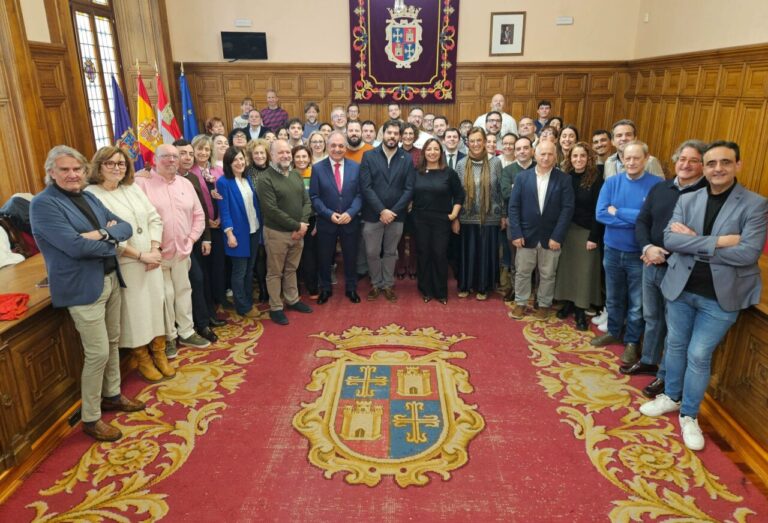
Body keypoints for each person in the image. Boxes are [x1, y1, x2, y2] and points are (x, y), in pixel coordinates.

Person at [640, 141, 767, 451]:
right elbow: (670, 240)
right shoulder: (689, 198)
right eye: (712, 163)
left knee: (698, 355)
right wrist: (719, 242)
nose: (718, 168)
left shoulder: (755, 204)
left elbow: (747, 253)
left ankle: (689, 414)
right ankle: (671, 396)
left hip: (721, 296)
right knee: (675, 345)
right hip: (681, 288)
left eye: (725, 162)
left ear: (738, 165)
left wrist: (694, 242)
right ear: (705, 169)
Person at [30, 145, 145, 441]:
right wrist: (111, 240)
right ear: (51, 173)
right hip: (82, 287)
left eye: (77, 169)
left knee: (113, 341)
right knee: (98, 353)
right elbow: (75, 247)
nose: (72, 174)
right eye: (65, 170)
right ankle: (91, 418)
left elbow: (125, 227)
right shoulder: (43, 204)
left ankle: (112, 394)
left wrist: (103, 234)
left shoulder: (89, 196)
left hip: (109, 277)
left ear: (84, 170)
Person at [625, 140, 708, 399]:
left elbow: (702, 237)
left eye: (693, 160)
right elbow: (642, 220)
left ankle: (665, 375)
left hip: (681, 269)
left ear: (703, 165)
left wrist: (667, 254)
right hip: (651, 262)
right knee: (652, 317)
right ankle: (649, 359)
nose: (685, 164)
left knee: (675, 328)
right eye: (682, 159)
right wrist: (648, 247)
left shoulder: (708, 195)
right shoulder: (661, 188)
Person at [85, 146, 172, 383]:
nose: (117, 168)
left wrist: (154, 249)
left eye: (121, 164)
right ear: (99, 166)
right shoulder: (91, 195)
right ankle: (142, 358)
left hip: (152, 258)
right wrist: (140, 255)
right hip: (127, 262)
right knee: (136, 313)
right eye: (110, 163)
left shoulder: (132, 187)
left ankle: (160, 352)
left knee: (156, 306)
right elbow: (106, 235)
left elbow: (154, 218)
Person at [135, 144, 211, 357]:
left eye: (174, 157)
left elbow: (199, 215)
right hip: (156, 255)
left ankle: (187, 332)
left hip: (182, 252)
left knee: (183, 292)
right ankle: (169, 337)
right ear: (154, 159)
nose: (171, 160)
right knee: (164, 296)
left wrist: (191, 239)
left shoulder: (185, 184)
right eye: (165, 156)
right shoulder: (141, 183)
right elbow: (137, 219)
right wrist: (150, 247)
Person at [592, 141, 663, 364]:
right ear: (622, 159)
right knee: (613, 296)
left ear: (646, 159)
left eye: (636, 158)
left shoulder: (657, 185)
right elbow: (601, 214)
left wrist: (619, 212)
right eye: (627, 158)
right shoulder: (612, 182)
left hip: (638, 254)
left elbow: (652, 219)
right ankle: (614, 331)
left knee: (637, 303)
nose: (631, 162)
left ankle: (632, 342)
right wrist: (636, 219)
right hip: (612, 249)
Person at [508, 141, 574, 318]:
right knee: (522, 272)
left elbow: (567, 209)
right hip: (525, 235)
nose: (546, 158)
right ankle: (521, 303)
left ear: (556, 156)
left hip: (551, 237)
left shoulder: (564, 179)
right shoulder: (522, 178)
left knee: (548, 274)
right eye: (542, 154)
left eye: (550, 154)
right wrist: (516, 233)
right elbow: (513, 207)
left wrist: (558, 236)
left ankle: (544, 304)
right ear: (535, 155)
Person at [360, 120, 416, 302]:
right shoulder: (369, 156)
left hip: (396, 216)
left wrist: (392, 211)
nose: (392, 136)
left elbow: (409, 189)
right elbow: (366, 187)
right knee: (372, 252)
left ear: (400, 137)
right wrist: (381, 210)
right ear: (382, 134)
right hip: (372, 214)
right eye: (389, 132)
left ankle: (388, 284)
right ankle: (376, 283)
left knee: (391, 252)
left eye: (395, 133)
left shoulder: (406, 158)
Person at [257, 139, 313, 325]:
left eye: (288, 152)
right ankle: (276, 307)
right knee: (275, 272)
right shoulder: (265, 178)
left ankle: (292, 299)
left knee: (291, 269)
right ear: (272, 155)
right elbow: (271, 210)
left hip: (298, 232)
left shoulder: (295, 174)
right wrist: (297, 226)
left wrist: (302, 224)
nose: (285, 155)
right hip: (277, 233)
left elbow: (306, 201)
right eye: (280, 152)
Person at [552, 143, 604, 329]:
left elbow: (599, 210)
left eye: (582, 156)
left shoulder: (596, 179)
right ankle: (568, 302)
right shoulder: (565, 177)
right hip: (567, 231)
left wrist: (593, 237)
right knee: (568, 270)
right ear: (570, 158)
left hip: (586, 232)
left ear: (589, 158)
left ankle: (581, 309)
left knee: (583, 272)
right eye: (575, 156)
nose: (578, 159)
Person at [310, 131, 363, 304]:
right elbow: (314, 197)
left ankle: (351, 288)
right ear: (327, 146)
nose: (337, 149)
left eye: (341, 145)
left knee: (351, 256)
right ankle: (325, 289)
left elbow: (360, 194)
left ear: (346, 147)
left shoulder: (356, 167)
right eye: (333, 145)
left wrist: (350, 213)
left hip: (350, 220)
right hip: (327, 221)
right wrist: (328, 214)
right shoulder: (318, 168)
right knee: (324, 257)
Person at [174, 139, 219, 344]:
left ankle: (205, 320)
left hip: (196, 239)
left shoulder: (191, 178)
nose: (187, 157)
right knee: (193, 281)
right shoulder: (157, 179)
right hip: (174, 244)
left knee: (202, 279)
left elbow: (201, 211)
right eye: (182, 153)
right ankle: (196, 325)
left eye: (190, 154)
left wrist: (206, 238)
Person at [412, 138, 465, 304]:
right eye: (429, 149)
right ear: (424, 152)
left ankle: (441, 292)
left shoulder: (449, 173)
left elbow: (459, 195)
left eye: (436, 149)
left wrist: (453, 215)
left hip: (442, 220)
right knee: (423, 253)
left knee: (439, 254)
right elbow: (409, 192)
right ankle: (426, 290)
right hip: (420, 219)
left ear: (441, 153)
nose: (432, 152)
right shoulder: (416, 172)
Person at [455, 127, 503, 300]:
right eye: (472, 141)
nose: (475, 144)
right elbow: (457, 193)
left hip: (490, 217)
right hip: (466, 217)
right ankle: (466, 285)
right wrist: (455, 218)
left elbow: (500, 190)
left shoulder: (495, 162)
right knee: (467, 253)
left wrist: (503, 215)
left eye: (479, 140)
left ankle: (483, 287)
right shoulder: (461, 164)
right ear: (467, 143)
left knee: (485, 253)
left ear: (484, 142)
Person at [217, 147, 263, 317]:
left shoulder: (247, 178)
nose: (239, 162)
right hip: (237, 234)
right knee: (239, 271)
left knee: (249, 270)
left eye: (241, 159)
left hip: (253, 229)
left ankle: (248, 300)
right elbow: (224, 211)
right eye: (235, 160)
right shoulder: (223, 182)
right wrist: (229, 234)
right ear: (228, 163)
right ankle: (243, 306)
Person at [190, 134, 230, 316]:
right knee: (205, 268)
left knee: (219, 265)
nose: (204, 152)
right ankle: (210, 302)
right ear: (193, 150)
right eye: (200, 149)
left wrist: (220, 218)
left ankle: (221, 298)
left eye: (207, 149)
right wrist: (206, 222)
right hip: (201, 228)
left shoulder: (218, 170)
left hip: (219, 225)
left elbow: (224, 196)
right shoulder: (189, 173)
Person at [500, 136, 536, 301]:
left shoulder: (539, 167)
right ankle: (516, 289)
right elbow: (506, 193)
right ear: (514, 152)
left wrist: (517, 188)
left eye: (525, 148)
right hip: (514, 220)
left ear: (532, 151)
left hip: (536, 222)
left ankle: (535, 292)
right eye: (518, 149)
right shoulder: (508, 171)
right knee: (515, 259)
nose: (522, 151)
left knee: (536, 259)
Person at [244, 138, 272, 302]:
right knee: (260, 254)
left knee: (272, 254)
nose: (260, 156)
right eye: (256, 153)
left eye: (262, 153)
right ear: (251, 155)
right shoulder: (246, 172)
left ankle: (274, 285)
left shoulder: (275, 169)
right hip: (255, 218)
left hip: (273, 218)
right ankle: (263, 288)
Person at [293, 145, 319, 299]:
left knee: (310, 254)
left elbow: (320, 198)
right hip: (293, 221)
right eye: (297, 157)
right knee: (293, 255)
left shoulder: (316, 174)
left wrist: (318, 222)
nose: (301, 160)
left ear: (309, 158)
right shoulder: (287, 175)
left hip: (312, 220)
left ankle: (312, 287)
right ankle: (294, 289)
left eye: (304, 156)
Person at [396, 123, 420, 280]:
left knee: (414, 236)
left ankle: (412, 266)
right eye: (405, 133)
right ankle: (400, 266)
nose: (408, 136)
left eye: (411, 133)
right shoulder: (395, 152)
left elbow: (421, 178)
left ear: (415, 136)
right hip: (398, 201)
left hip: (416, 201)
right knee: (398, 235)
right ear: (400, 135)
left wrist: (412, 200)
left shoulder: (421, 153)